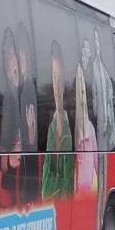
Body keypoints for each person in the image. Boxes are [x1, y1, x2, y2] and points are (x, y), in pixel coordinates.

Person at [41, 40, 74, 198]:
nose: (56, 82)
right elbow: (45, 189)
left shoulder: (72, 125)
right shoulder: (49, 125)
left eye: (59, 77)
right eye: (53, 77)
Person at [0, 26, 22, 207]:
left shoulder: (23, 98)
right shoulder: (8, 99)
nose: (14, 64)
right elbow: (3, 149)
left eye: (16, 56)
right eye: (9, 59)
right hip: (10, 181)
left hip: (18, 179)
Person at [16, 22, 41, 204]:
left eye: (23, 52)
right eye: (18, 52)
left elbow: (31, 136)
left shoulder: (29, 88)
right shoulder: (22, 87)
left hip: (29, 157)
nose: (20, 57)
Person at [73, 61, 97, 194]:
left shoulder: (90, 129)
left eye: (83, 91)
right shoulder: (72, 129)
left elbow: (98, 166)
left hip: (90, 190)